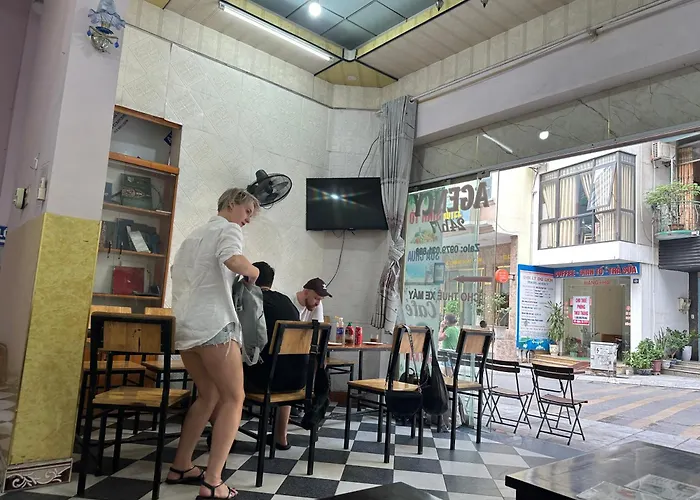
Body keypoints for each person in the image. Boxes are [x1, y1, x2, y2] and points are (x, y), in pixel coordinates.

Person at [167, 188, 260, 500]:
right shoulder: (228, 228)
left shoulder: (192, 237)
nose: (248, 220)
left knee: (208, 395)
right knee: (235, 398)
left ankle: (181, 465)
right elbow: (232, 259)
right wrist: (254, 271)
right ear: (232, 204)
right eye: (247, 212)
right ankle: (213, 482)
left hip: (185, 328)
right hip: (214, 326)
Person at [244, 261, 306, 450]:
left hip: (263, 382)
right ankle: (281, 437)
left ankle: (223, 437)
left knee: (224, 378)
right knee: (282, 365)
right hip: (296, 382)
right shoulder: (287, 302)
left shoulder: (252, 300)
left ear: (249, 278)